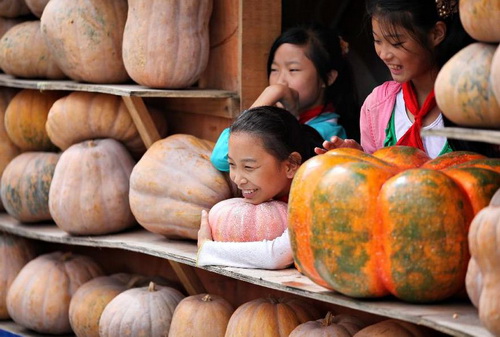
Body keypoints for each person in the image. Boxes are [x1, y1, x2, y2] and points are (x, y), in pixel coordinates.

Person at [316, 0, 495, 158]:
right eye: (377, 41)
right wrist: (359, 159)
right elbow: (373, 182)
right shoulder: (376, 105)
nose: (384, 54)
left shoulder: (475, 100)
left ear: (436, 33)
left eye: (397, 43)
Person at [210, 23, 359, 172]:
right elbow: (222, 158)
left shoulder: (328, 133)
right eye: (274, 69)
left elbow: (221, 159)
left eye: (293, 69)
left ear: (328, 77)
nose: (280, 81)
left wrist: (267, 100)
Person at [197, 106, 323, 269]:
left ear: (291, 165)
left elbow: (277, 256)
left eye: (248, 167)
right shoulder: (271, 188)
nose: (237, 179)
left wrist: (207, 249)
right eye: (232, 164)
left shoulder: (313, 191)